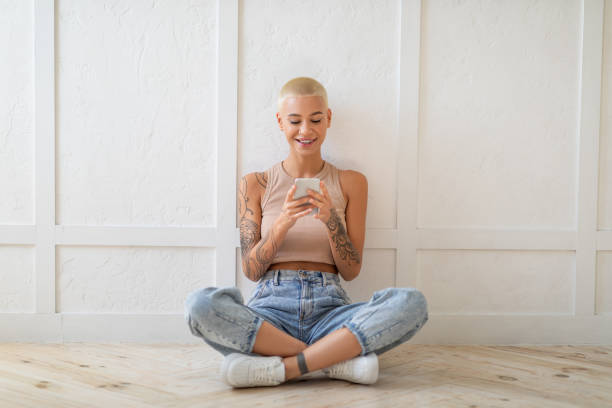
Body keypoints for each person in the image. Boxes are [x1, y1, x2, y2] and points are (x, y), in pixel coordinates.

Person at [184, 77, 429, 388]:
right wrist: (284, 222)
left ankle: (283, 368)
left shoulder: (352, 182)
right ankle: (331, 362)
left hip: (331, 310)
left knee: (412, 302)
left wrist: (330, 221)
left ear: (328, 119)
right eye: (295, 121)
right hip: (271, 313)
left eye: (315, 120)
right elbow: (251, 270)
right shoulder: (255, 184)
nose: (305, 131)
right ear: (280, 122)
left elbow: (351, 270)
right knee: (200, 305)